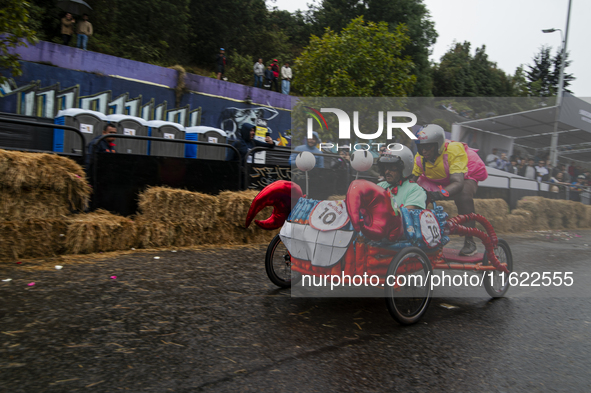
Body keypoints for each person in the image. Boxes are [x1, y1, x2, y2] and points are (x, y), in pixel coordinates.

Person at [411, 124, 488, 256]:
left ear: (438, 145)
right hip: (439, 178)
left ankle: (470, 241)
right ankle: (417, 235)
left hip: (465, 174)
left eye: (428, 147)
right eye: (421, 146)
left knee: (462, 195)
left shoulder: (454, 150)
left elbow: (457, 183)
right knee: (417, 193)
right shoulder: (419, 157)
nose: (424, 151)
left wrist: (439, 194)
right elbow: (411, 181)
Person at [377, 144, 427, 210]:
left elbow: (406, 215)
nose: (387, 172)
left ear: (403, 168)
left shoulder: (415, 190)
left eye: (392, 167)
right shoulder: (380, 186)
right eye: (385, 167)